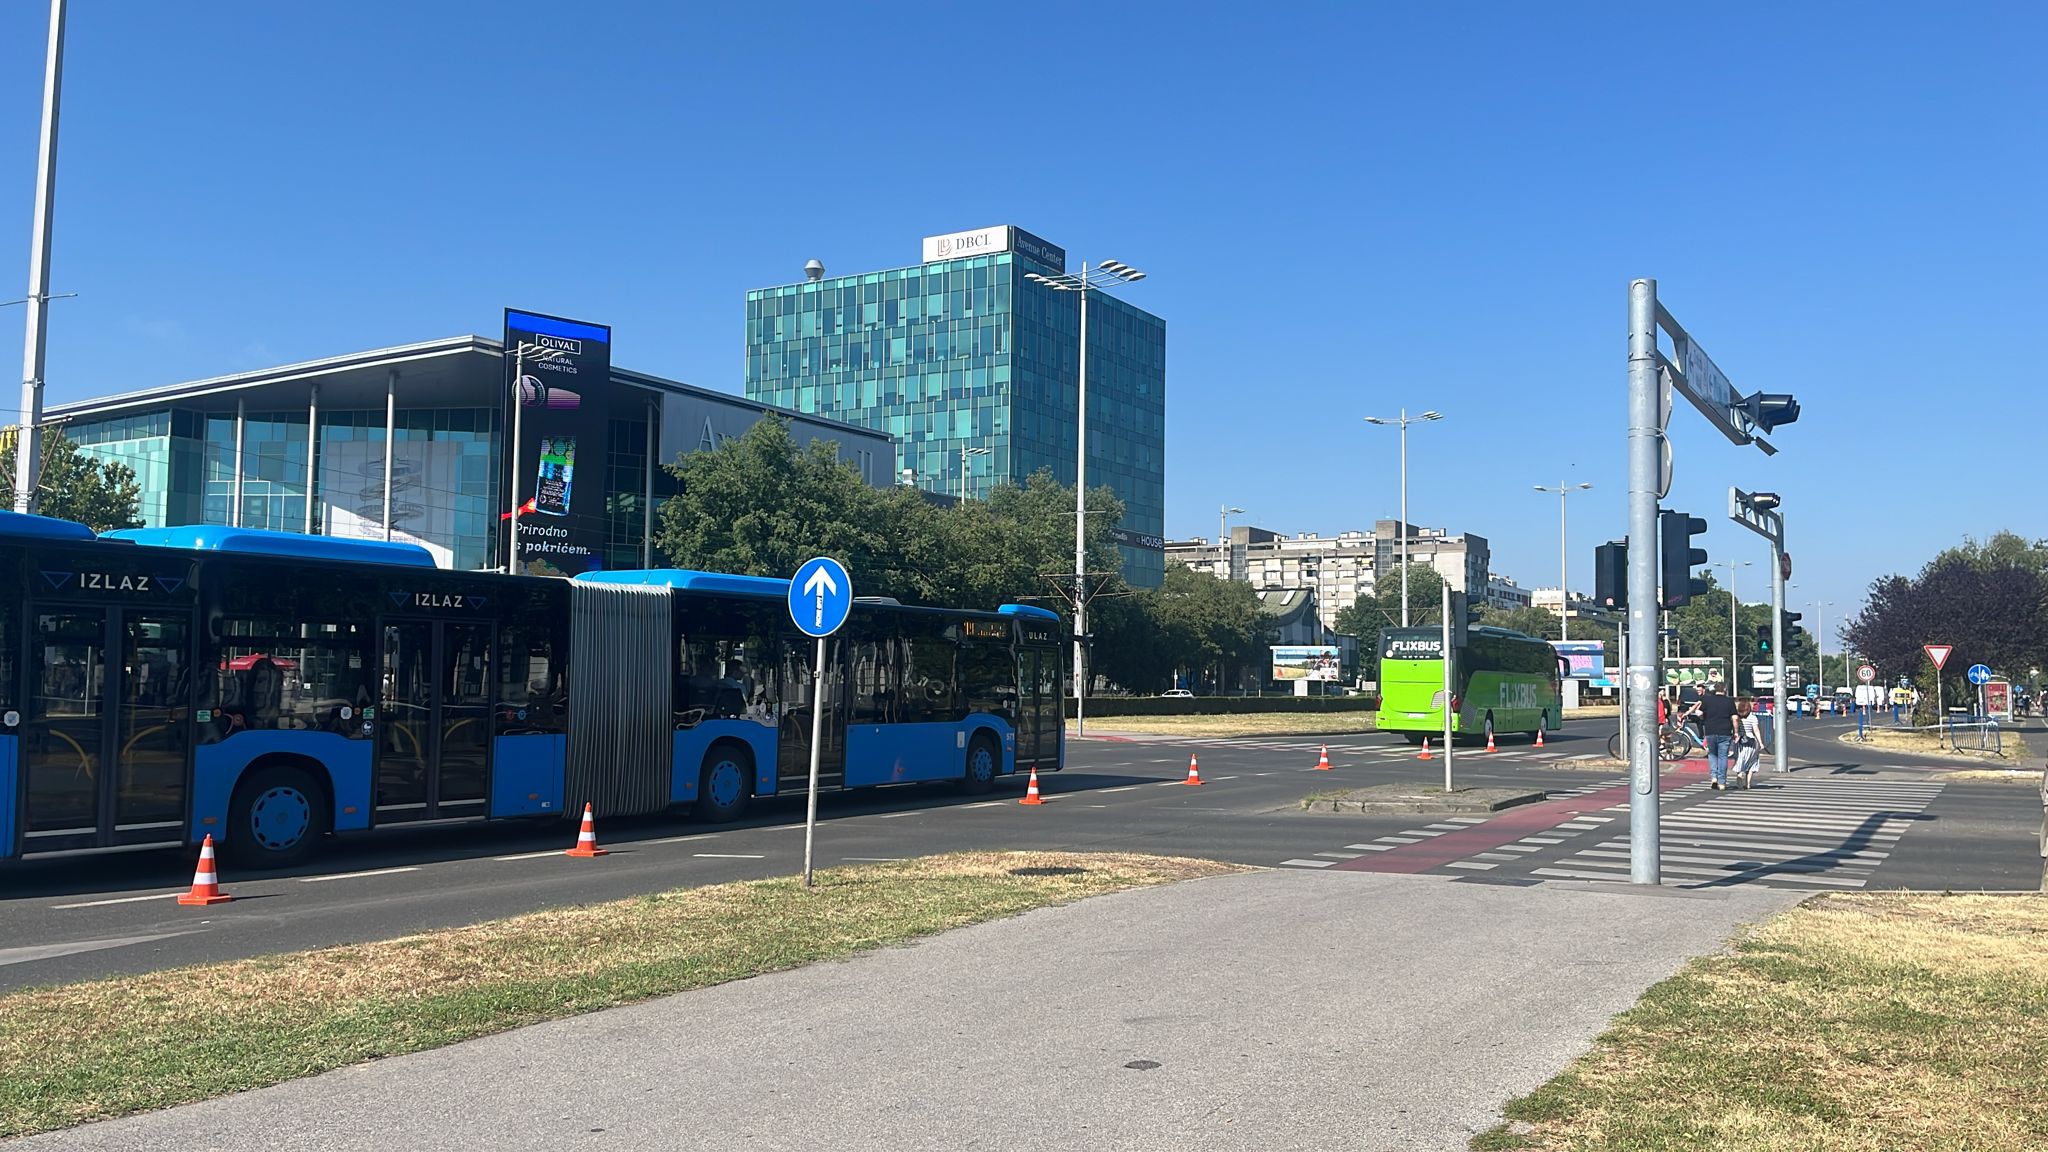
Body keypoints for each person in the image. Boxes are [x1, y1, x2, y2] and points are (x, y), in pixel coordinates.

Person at [1689, 682, 1738, 790]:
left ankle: (1714, 777)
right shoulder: (1729, 701)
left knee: (1712, 754)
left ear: (1714, 689)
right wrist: (1736, 732)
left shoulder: (1707, 700)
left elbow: (1699, 713)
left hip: (1710, 730)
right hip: (1725, 731)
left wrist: (1703, 718)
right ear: (1725, 689)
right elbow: (1735, 718)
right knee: (1723, 756)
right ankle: (1722, 782)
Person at [1734, 697, 1764, 787]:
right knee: (1752, 762)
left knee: (1741, 759)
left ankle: (1740, 776)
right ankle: (1748, 784)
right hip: (1752, 741)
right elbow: (1756, 730)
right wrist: (1761, 742)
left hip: (1741, 741)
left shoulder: (1737, 718)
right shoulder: (1753, 717)